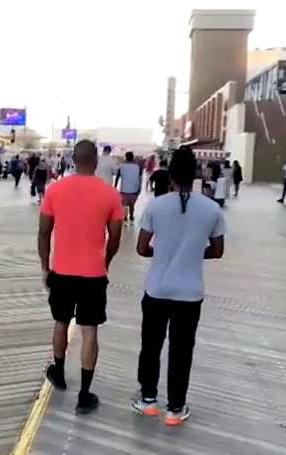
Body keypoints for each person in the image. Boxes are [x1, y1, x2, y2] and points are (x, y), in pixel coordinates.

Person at [131, 146, 226, 426]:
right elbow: (217, 251)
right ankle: (175, 408)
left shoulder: (156, 206)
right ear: (195, 174)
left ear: (170, 175)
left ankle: (148, 400)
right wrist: (191, 253)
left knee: (151, 345)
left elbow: (141, 248)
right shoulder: (211, 209)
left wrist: (164, 252)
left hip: (157, 289)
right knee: (182, 351)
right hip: (190, 293)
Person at [39, 139, 123, 415]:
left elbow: (44, 232)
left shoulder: (55, 189)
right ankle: (85, 394)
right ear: (95, 161)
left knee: (61, 322)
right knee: (89, 331)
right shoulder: (110, 194)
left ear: (73, 159)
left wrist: (45, 267)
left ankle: (59, 373)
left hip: (61, 272)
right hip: (93, 275)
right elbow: (115, 237)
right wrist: (106, 261)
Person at [115, 151, 143, 223]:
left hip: (124, 189)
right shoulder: (137, 167)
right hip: (134, 189)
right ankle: (131, 216)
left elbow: (117, 177)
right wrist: (140, 187)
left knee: (124, 205)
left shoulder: (121, 166)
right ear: (133, 158)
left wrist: (115, 186)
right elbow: (140, 178)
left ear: (126, 157)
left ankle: (125, 217)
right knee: (132, 204)